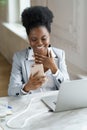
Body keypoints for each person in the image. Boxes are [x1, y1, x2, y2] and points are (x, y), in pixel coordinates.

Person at [8, 6, 69, 96]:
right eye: (34, 39)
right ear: (28, 39)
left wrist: (54, 69)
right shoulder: (19, 58)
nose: (39, 43)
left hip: (54, 105)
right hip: (31, 106)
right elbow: (11, 92)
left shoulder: (59, 55)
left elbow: (67, 89)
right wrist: (27, 87)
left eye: (44, 38)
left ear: (49, 36)